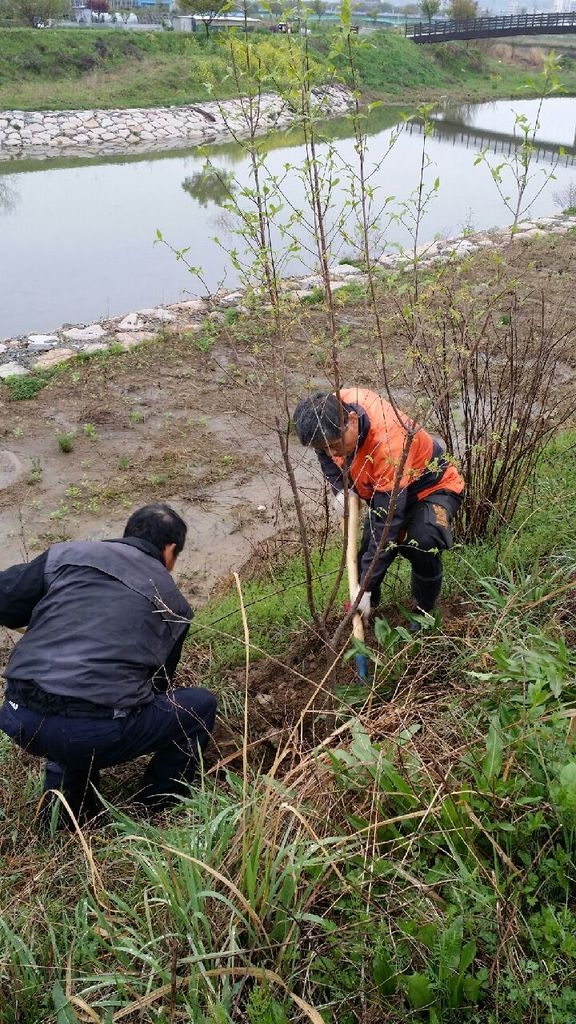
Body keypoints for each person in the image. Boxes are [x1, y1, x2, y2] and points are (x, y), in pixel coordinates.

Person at [0, 503, 217, 825]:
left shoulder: (64, 555)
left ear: (128, 534)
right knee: (199, 706)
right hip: (92, 732)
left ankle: (61, 816)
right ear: (170, 551)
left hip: (19, 716)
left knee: (73, 724)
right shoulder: (173, 604)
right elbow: (156, 684)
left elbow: (6, 603)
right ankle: (154, 807)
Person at [293, 388, 464, 626]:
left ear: (352, 421)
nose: (331, 453)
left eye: (334, 445)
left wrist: (364, 587)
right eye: (324, 448)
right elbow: (326, 457)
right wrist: (341, 489)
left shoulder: (388, 443)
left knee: (423, 542)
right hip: (384, 492)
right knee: (367, 553)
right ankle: (366, 614)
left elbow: (387, 521)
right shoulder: (327, 410)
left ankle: (424, 611)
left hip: (432, 487)